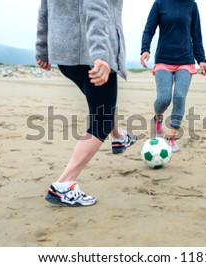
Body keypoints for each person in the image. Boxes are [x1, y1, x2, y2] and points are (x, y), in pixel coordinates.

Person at [35, 0, 136, 207]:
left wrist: (42, 50)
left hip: (65, 55)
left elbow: (44, 10)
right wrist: (100, 55)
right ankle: (64, 184)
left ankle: (119, 137)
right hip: (90, 55)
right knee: (102, 121)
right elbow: (95, 8)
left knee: (101, 106)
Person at [140, 0, 206, 152]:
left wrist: (202, 60)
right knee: (164, 99)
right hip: (163, 59)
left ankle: (171, 137)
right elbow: (149, 29)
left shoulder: (191, 5)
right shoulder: (159, 4)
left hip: (185, 59)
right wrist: (145, 49)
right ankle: (158, 118)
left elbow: (196, 35)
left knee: (179, 97)